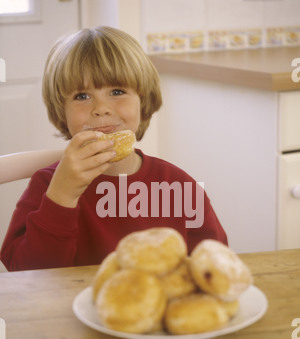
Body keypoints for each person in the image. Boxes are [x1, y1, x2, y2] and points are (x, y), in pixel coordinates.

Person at [0, 26, 227, 272]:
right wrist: (62, 196)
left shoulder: (177, 186)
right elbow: (26, 277)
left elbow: (215, 266)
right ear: (61, 112)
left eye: (117, 91)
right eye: (82, 96)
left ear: (144, 101)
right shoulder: (47, 185)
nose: (101, 108)